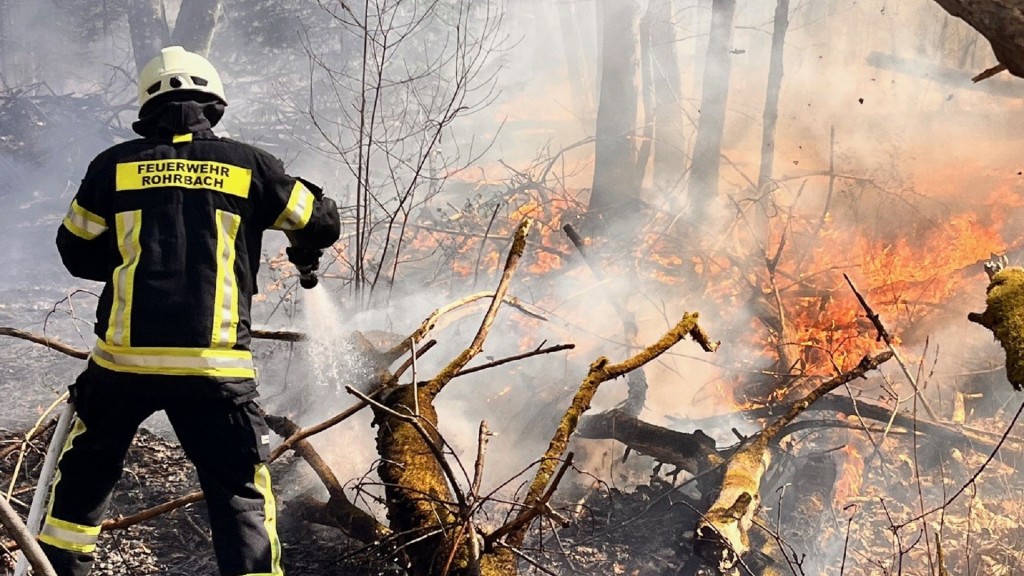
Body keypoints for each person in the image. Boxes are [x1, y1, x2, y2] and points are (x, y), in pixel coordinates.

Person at [41, 46, 340, 576]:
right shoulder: (250, 165)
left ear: (147, 107)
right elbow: (318, 223)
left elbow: (75, 250)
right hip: (215, 369)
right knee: (240, 491)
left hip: (123, 365)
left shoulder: (113, 167)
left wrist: (136, 256)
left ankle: (60, 564)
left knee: (88, 471)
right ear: (213, 103)